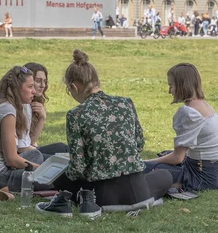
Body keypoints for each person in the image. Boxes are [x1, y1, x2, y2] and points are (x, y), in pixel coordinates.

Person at [43, 49, 172, 213]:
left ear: (74, 87)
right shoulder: (126, 103)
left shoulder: (76, 114)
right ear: (97, 81)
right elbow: (139, 145)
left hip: (101, 196)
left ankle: (83, 197)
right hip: (138, 192)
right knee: (165, 175)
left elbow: (77, 167)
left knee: (60, 177)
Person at [144, 63, 218, 191]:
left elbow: (178, 157)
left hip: (200, 178)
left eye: (171, 86)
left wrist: (148, 162)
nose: (169, 91)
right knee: (164, 154)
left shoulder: (188, 112)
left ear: (182, 85)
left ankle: (178, 182)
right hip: (217, 175)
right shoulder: (206, 106)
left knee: (148, 168)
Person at [21, 62, 69, 159]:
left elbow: (31, 142)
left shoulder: (35, 103)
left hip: (28, 149)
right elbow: (25, 145)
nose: (42, 85)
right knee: (62, 160)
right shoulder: (22, 106)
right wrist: (42, 119)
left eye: (44, 81)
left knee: (63, 148)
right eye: (38, 81)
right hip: (20, 154)